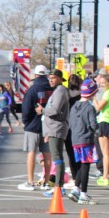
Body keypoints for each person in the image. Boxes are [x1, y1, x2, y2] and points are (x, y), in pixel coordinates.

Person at [19, 65, 53, 191]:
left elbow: (26, 109)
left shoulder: (32, 90)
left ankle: (30, 181)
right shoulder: (52, 89)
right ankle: (46, 181)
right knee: (47, 154)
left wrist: (26, 123)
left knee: (31, 153)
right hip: (48, 126)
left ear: (35, 75)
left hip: (33, 125)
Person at [68, 78, 100, 205]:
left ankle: (76, 189)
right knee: (86, 165)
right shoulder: (90, 108)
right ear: (92, 93)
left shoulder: (74, 106)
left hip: (75, 139)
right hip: (86, 139)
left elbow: (70, 124)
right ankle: (83, 193)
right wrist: (98, 130)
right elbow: (93, 125)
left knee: (82, 165)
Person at [39, 69, 70, 199]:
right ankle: (58, 186)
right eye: (49, 78)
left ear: (60, 78)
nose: (50, 80)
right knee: (56, 157)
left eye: (53, 78)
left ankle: (59, 187)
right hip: (53, 129)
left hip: (57, 128)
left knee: (57, 158)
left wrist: (42, 110)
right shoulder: (57, 91)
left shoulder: (60, 91)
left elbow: (55, 110)